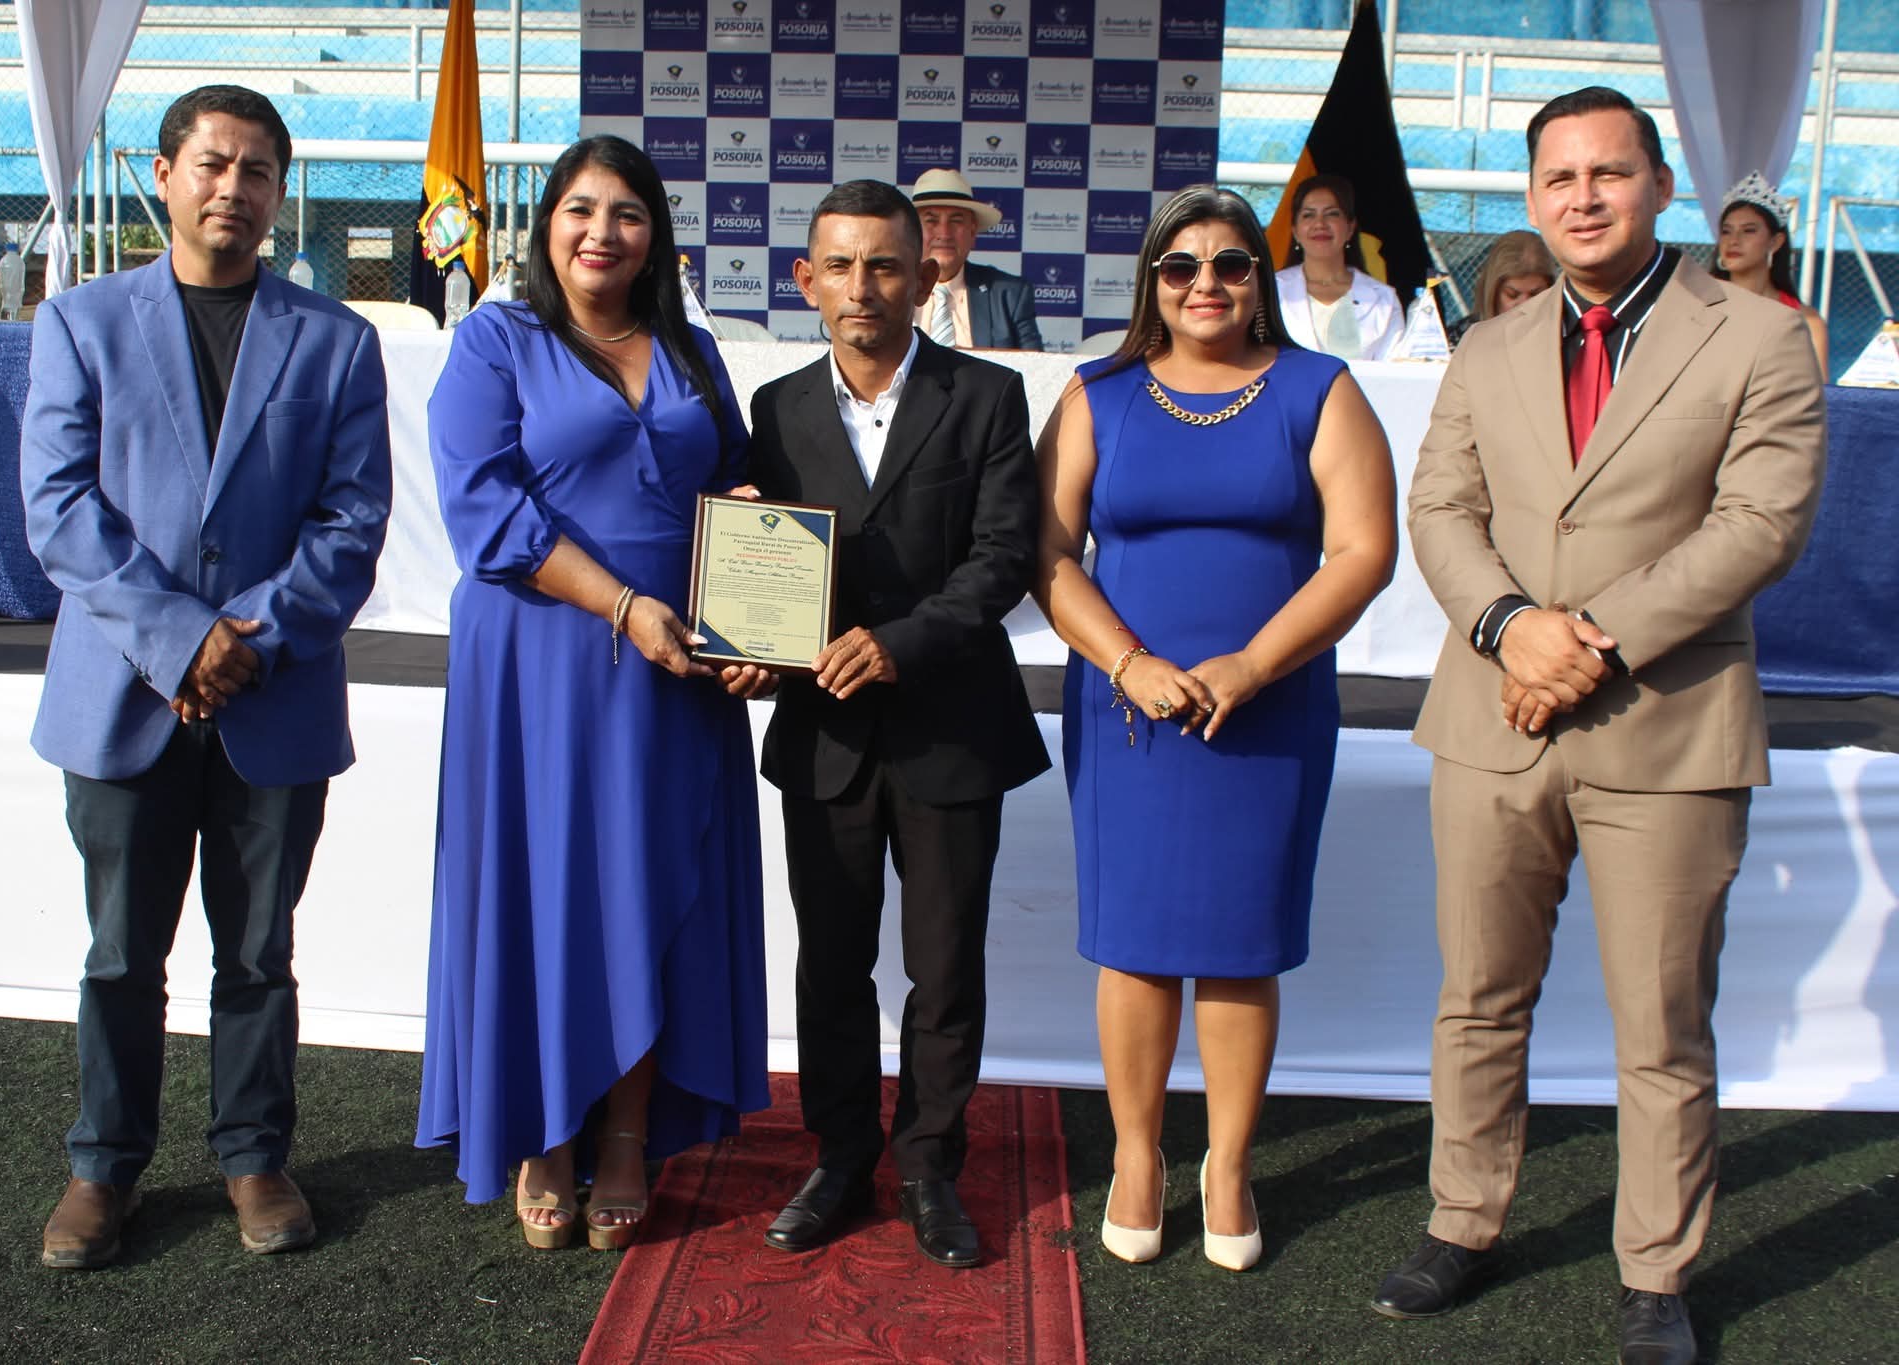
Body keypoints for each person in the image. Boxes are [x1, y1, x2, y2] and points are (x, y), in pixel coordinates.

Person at [1377, 87, 1825, 1365]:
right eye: (1558, 178)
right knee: (1476, 998)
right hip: (1490, 720)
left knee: (1661, 1025)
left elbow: (1758, 526)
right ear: (1530, 197)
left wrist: (1585, 644)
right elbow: (1438, 511)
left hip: (1666, 731)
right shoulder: (1487, 345)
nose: (1582, 197)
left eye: (1607, 173)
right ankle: (1461, 1221)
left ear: (1658, 186)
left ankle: (1654, 1271)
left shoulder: (1758, 336)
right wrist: (1508, 626)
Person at [21, 85, 392, 1269]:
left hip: (273, 700)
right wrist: (183, 641)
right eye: (213, 164)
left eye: (257, 170)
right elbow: (60, 510)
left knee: (258, 954)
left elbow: (351, 524)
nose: (234, 187)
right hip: (122, 697)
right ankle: (103, 1167)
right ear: (164, 176)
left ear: (279, 193)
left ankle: (254, 1156)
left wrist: (246, 642)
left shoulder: (335, 342)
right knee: (120, 956)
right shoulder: (80, 322)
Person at [415, 133, 771, 1252]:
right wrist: (622, 606)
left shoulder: (690, 349)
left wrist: (756, 603)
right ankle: (544, 1132)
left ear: (655, 235)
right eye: (580, 208)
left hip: (678, 673)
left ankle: (625, 1132)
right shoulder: (496, 339)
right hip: (541, 664)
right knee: (551, 891)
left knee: (654, 891)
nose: (601, 232)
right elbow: (484, 512)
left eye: (627, 212)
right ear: (547, 225)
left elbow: (733, 483)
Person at [1033, 185, 1397, 1270]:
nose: (1206, 283)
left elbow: (1363, 553)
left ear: (1259, 278)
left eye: (1231, 263)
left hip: (1270, 711)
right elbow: (1044, 555)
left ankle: (1227, 1164)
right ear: (1151, 280)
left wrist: (1252, 663)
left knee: (1242, 947)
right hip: (1128, 713)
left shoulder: (1319, 389)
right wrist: (1129, 663)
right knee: (1136, 946)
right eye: (1181, 265)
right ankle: (1136, 1156)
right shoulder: (1096, 393)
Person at [747, 179, 1048, 1268]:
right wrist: (749, 635)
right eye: (839, 265)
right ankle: (837, 1158)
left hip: (949, 726)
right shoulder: (773, 409)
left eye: (884, 264)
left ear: (925, 276)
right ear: (806, 280)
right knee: (830, 966)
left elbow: (1002, 559)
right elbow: (762, 558)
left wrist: (899, 642)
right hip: (823, 732)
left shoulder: (989, 395)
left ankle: (928, 1167)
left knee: (944, 968)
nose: (861, 286)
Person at [907, 168, 1043, 351]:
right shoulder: (892, 290)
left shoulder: (1009, 294)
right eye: (931, 221)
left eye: (956, 221)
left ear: (972, 232)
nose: (944, 234)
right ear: (912, 231)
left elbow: (1035, 364)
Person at [1275, 173, 1405, 360]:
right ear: (1295, 231)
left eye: (1332, 214)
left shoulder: (1384, 298)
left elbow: (1394, 367)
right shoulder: (1270, 291)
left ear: (1350, 228)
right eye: (1308, 215)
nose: (1319, 224)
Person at [1715, 171, 1830, 379]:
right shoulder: (1699, 307)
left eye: (1748, 230)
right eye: (1726, 231)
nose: (1734, 240)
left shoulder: (1806, 322)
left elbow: (1819, 393)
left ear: (1775, 242)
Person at [1474, 229, 1557, 324]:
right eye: (1512, 295)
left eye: (1536, 295)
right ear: (1493, 293)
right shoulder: (1468, 332)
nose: (1524, 306)